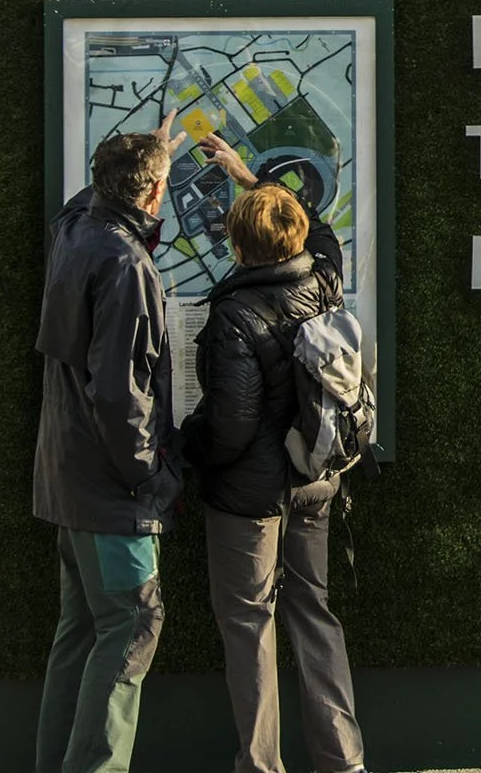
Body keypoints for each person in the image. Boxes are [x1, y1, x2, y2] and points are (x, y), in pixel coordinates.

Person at [183, 133, 368, 773]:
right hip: (315, 479)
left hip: (250, 497)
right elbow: (317, 231)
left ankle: (261, 766)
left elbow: (231, 427)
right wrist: (247, 176)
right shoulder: (323, 280)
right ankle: (343, 761)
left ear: (237, 247)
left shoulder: (235, 314)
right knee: (313, 612)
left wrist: (191, 451)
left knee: (247, 623)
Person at [33, 119, 190, 773]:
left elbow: (83, 199)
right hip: (111, 497)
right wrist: (147, 479)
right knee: (131, 627)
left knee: (81, 635)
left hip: (68, 485)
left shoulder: (76, 233)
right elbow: (120, 395)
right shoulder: (126, 264)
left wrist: (145, 153)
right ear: (153, 194)